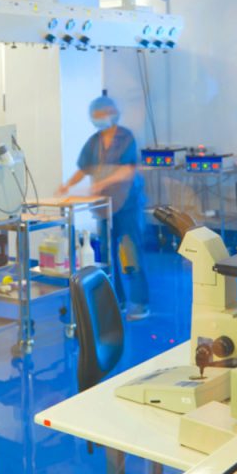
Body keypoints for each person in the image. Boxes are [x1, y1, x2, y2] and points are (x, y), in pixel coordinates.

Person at [58, 90, 150, 320]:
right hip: (103, 208)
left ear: (113, 113)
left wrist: (102, 183)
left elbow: (127, 171)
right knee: (107, 256)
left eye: (102, 113)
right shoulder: (94, 142)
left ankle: (140, 303)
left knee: (130, 254)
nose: (99, 118)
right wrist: (67, 186)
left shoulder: (126, 138)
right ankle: (116, 300)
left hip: (127, 205)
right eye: (96, 115)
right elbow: (84, 168)